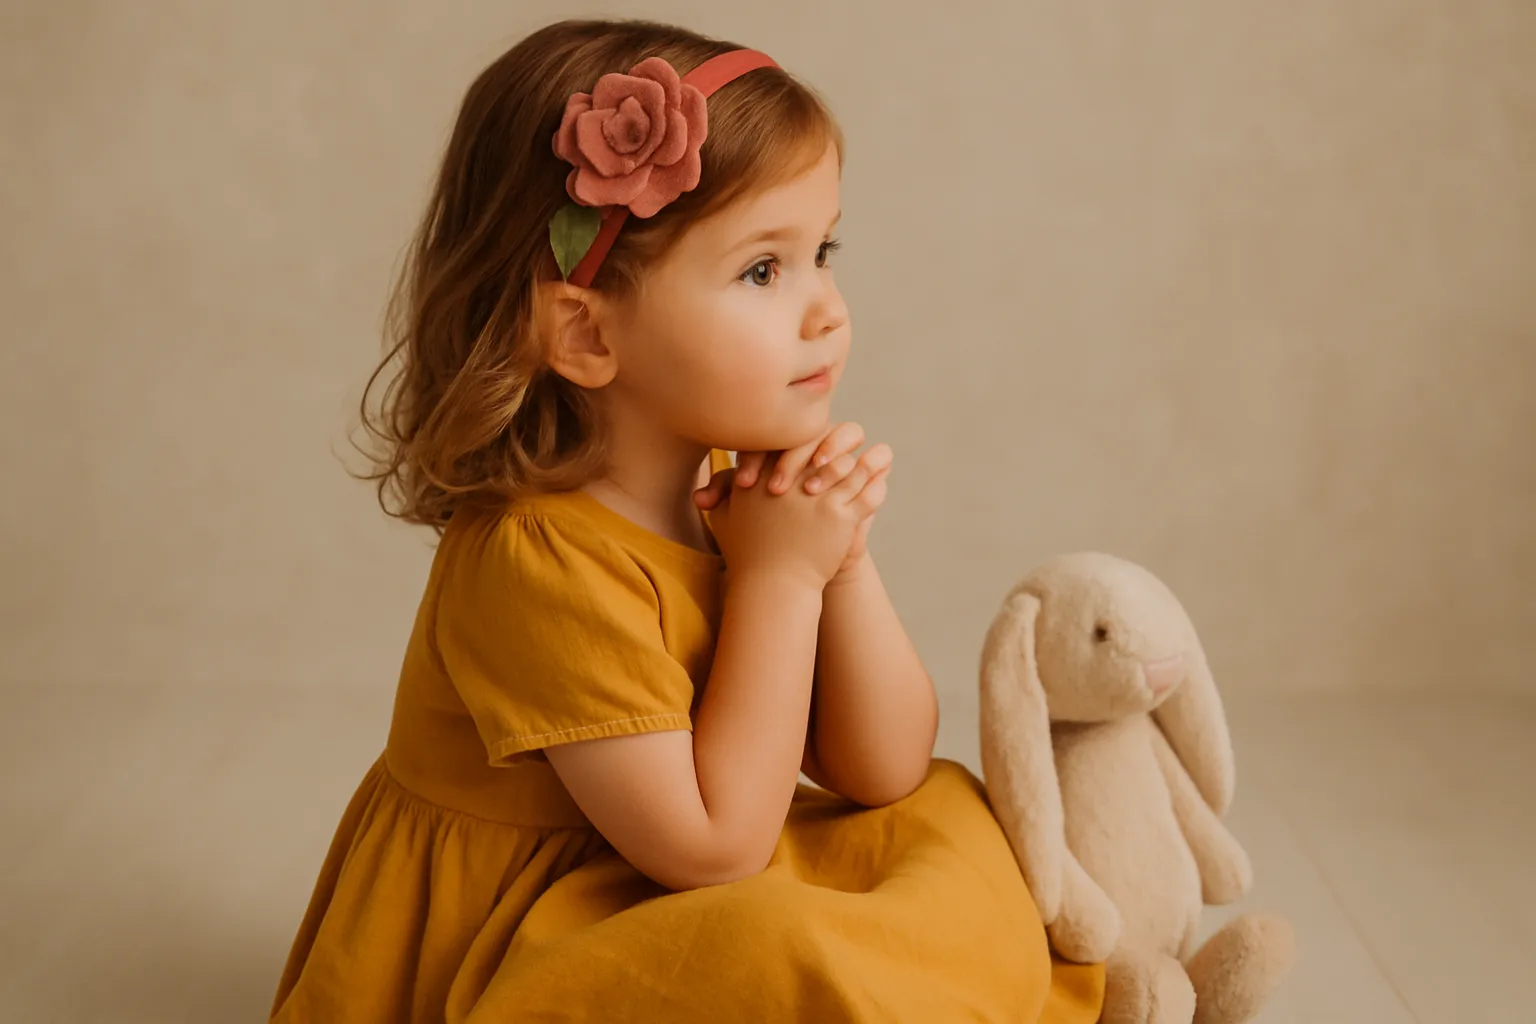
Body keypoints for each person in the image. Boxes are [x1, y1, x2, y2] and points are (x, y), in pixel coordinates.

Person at [269, 17, 1105, 1023]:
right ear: (583, 330)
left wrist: (836, 560)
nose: (827, 309)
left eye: (822, 251)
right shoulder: (534, 559)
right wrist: (780, 579)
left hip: (679, 861)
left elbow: (881, 767)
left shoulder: (727, 479)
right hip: (539, 918)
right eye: (764, 270)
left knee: (947, 812)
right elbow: (712, 847)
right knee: (771, 940)